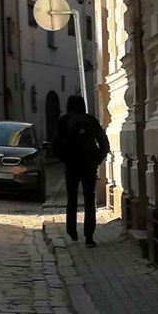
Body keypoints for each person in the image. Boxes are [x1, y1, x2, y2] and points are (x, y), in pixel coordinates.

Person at [53, 101, 110, 245]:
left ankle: (72, 232)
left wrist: (64, 159)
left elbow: (55, 144)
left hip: (71, 165)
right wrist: (96, 159)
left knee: (71, 199)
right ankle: (89, 237)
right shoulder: (91, 120)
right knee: (89, 200)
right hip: (89, 166)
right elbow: (104, 144)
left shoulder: (64, 121)